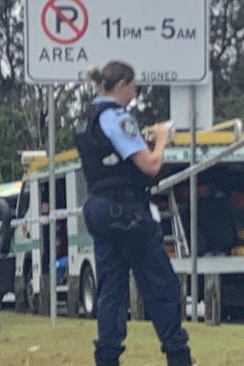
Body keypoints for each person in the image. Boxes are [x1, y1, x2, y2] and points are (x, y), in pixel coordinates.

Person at [74, 61, 193, 366]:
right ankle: (178, 355)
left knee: (110, 290)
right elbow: (150, 166)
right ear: (123, 84)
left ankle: (107, 358)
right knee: (160, 284)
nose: (136, 92)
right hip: (128, 213)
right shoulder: (117, 117)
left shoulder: (86, 119)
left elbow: (112, 160)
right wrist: (163, 139)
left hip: (99, 207)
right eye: (134, 86)